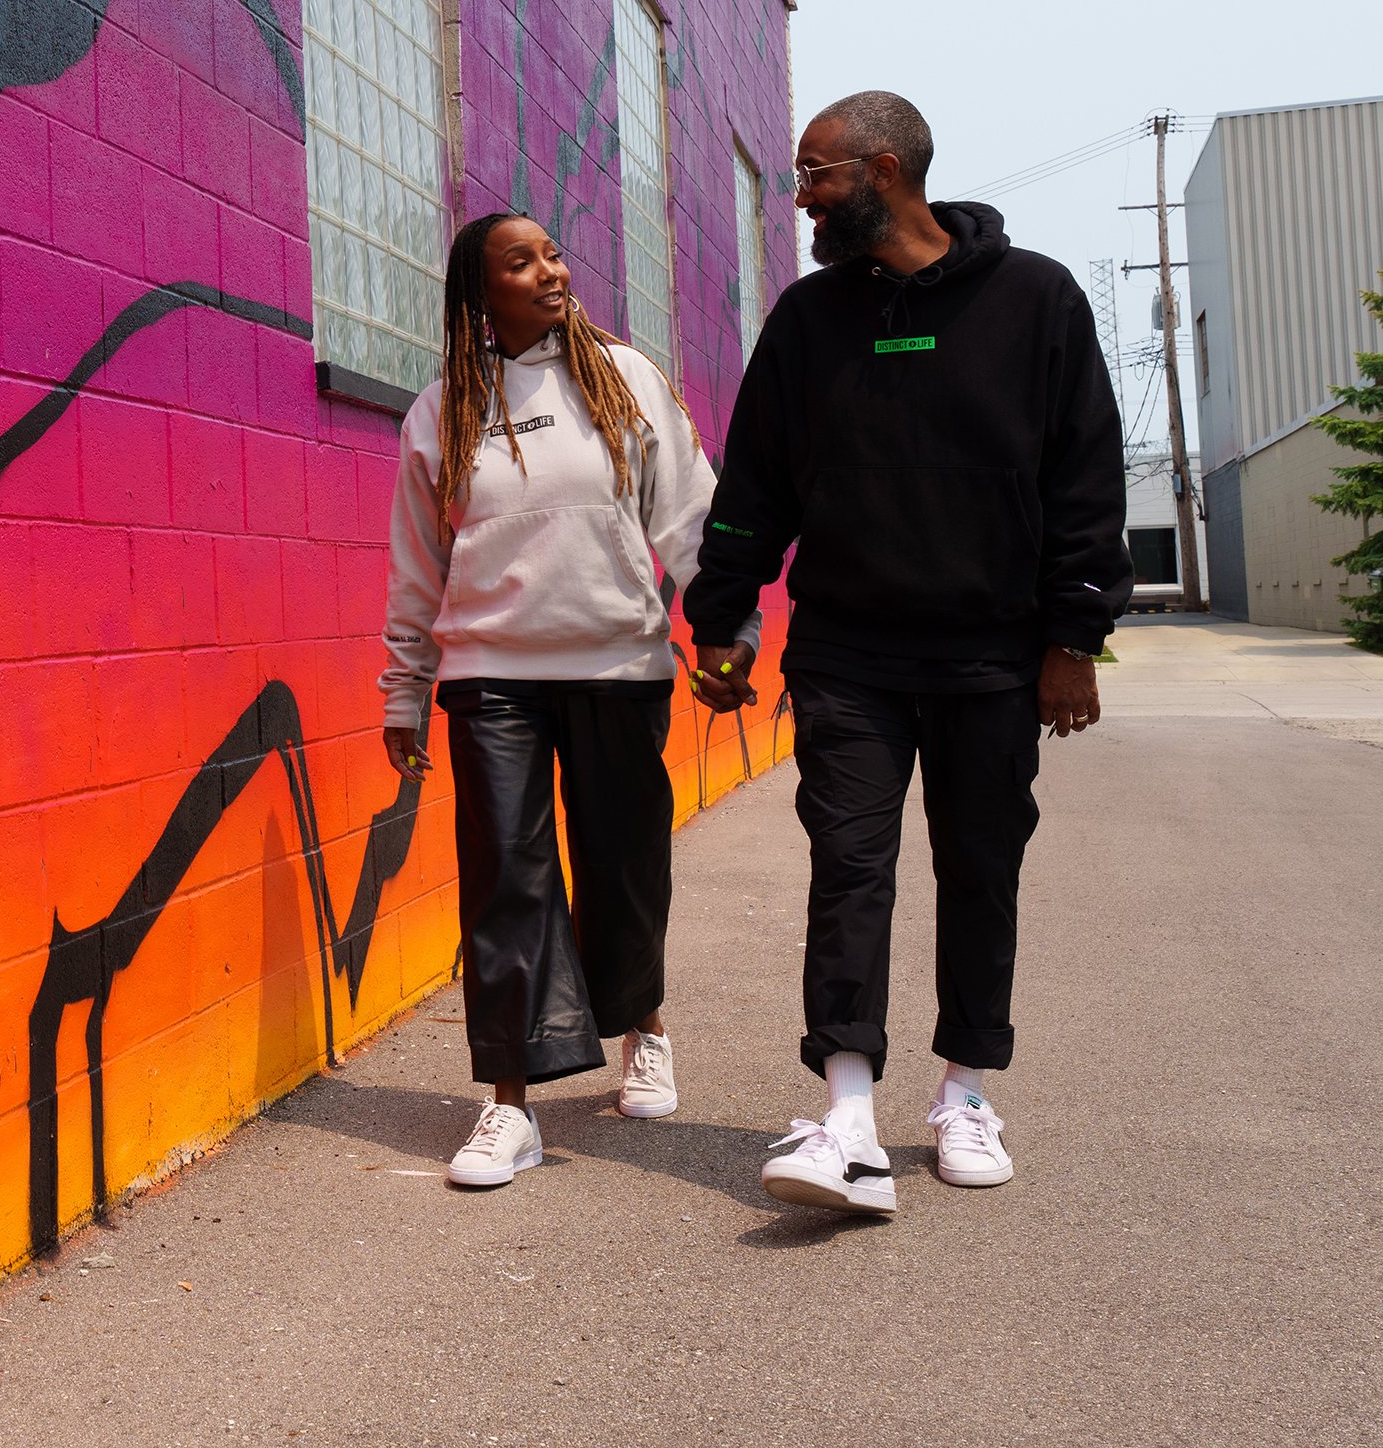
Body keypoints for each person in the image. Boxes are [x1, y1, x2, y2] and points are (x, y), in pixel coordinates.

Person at [689, 90, 1127, 1216]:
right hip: (847, 655)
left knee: (979, 869)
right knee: (848, 869)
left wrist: (1072, 636)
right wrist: (721, 619)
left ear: (881, 171)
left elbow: (1081, 476)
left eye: (813, 175)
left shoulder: (1033, 300)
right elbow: (754, 487)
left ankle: (963, 1093)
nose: (797, 198)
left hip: (989, 656)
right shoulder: (806, 320)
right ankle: (843, 1112)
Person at [380, 212, 752, 1188]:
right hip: (488, 677)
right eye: (521, 261)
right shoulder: (441, 412)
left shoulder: (621, 379)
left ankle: (643, 1028)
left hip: (616, 665)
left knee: (621, 865)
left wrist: (725, 632)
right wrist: (402, 691)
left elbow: (685, 514)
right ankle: (508, 1106)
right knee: (504, 879)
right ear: (480, 294)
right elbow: (416, 573)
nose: (549, 271)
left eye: (551, 253)